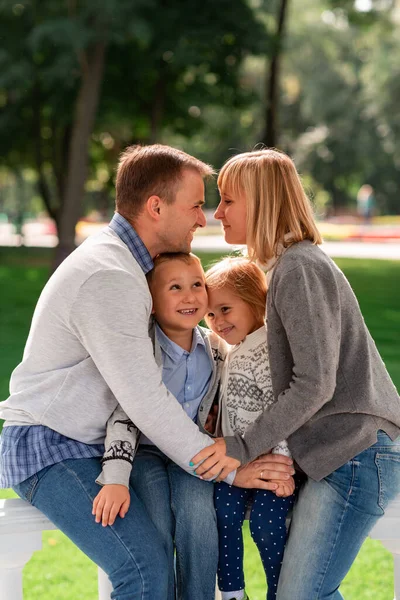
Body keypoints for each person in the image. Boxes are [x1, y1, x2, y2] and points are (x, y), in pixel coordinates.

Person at [0, 145, 293, 599]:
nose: (204, 218)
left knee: (164, 549)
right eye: (195, 205)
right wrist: (231, 470)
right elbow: (146, 400)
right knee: (143, 569)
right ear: (156, 207)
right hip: (51, 444)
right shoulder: (110, 275)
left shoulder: (129, 266)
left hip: (93, 444)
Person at [192, 148, 400, 600]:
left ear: (262, 201)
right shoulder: (284, 267)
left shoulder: (300, 268)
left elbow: (314, 383)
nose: (217, 212)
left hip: (357, 455)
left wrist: (243, 446)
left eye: (228, 200)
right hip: (336, 456)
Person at [93, 252, 229, 600]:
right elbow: (123, 416)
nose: (190, 296)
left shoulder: (216, 350)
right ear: (151, 303)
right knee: (154, 518)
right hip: (145, 453)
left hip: (192, 452)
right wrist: (115, 479)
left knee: (199, 515)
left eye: (197, 284)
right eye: (175, 287)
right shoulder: (142, 350)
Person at [205, 257, 295, 600]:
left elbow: (284, 410)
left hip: (273, 464)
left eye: (226, 309)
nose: (218, 322)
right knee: (222, 513)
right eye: (211, 315)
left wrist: (283, 468)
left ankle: (279, 591)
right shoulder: (231, 348)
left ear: (256, 300)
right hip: (237, 461)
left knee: (265, 525)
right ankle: (232, 593)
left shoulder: (267, 350)